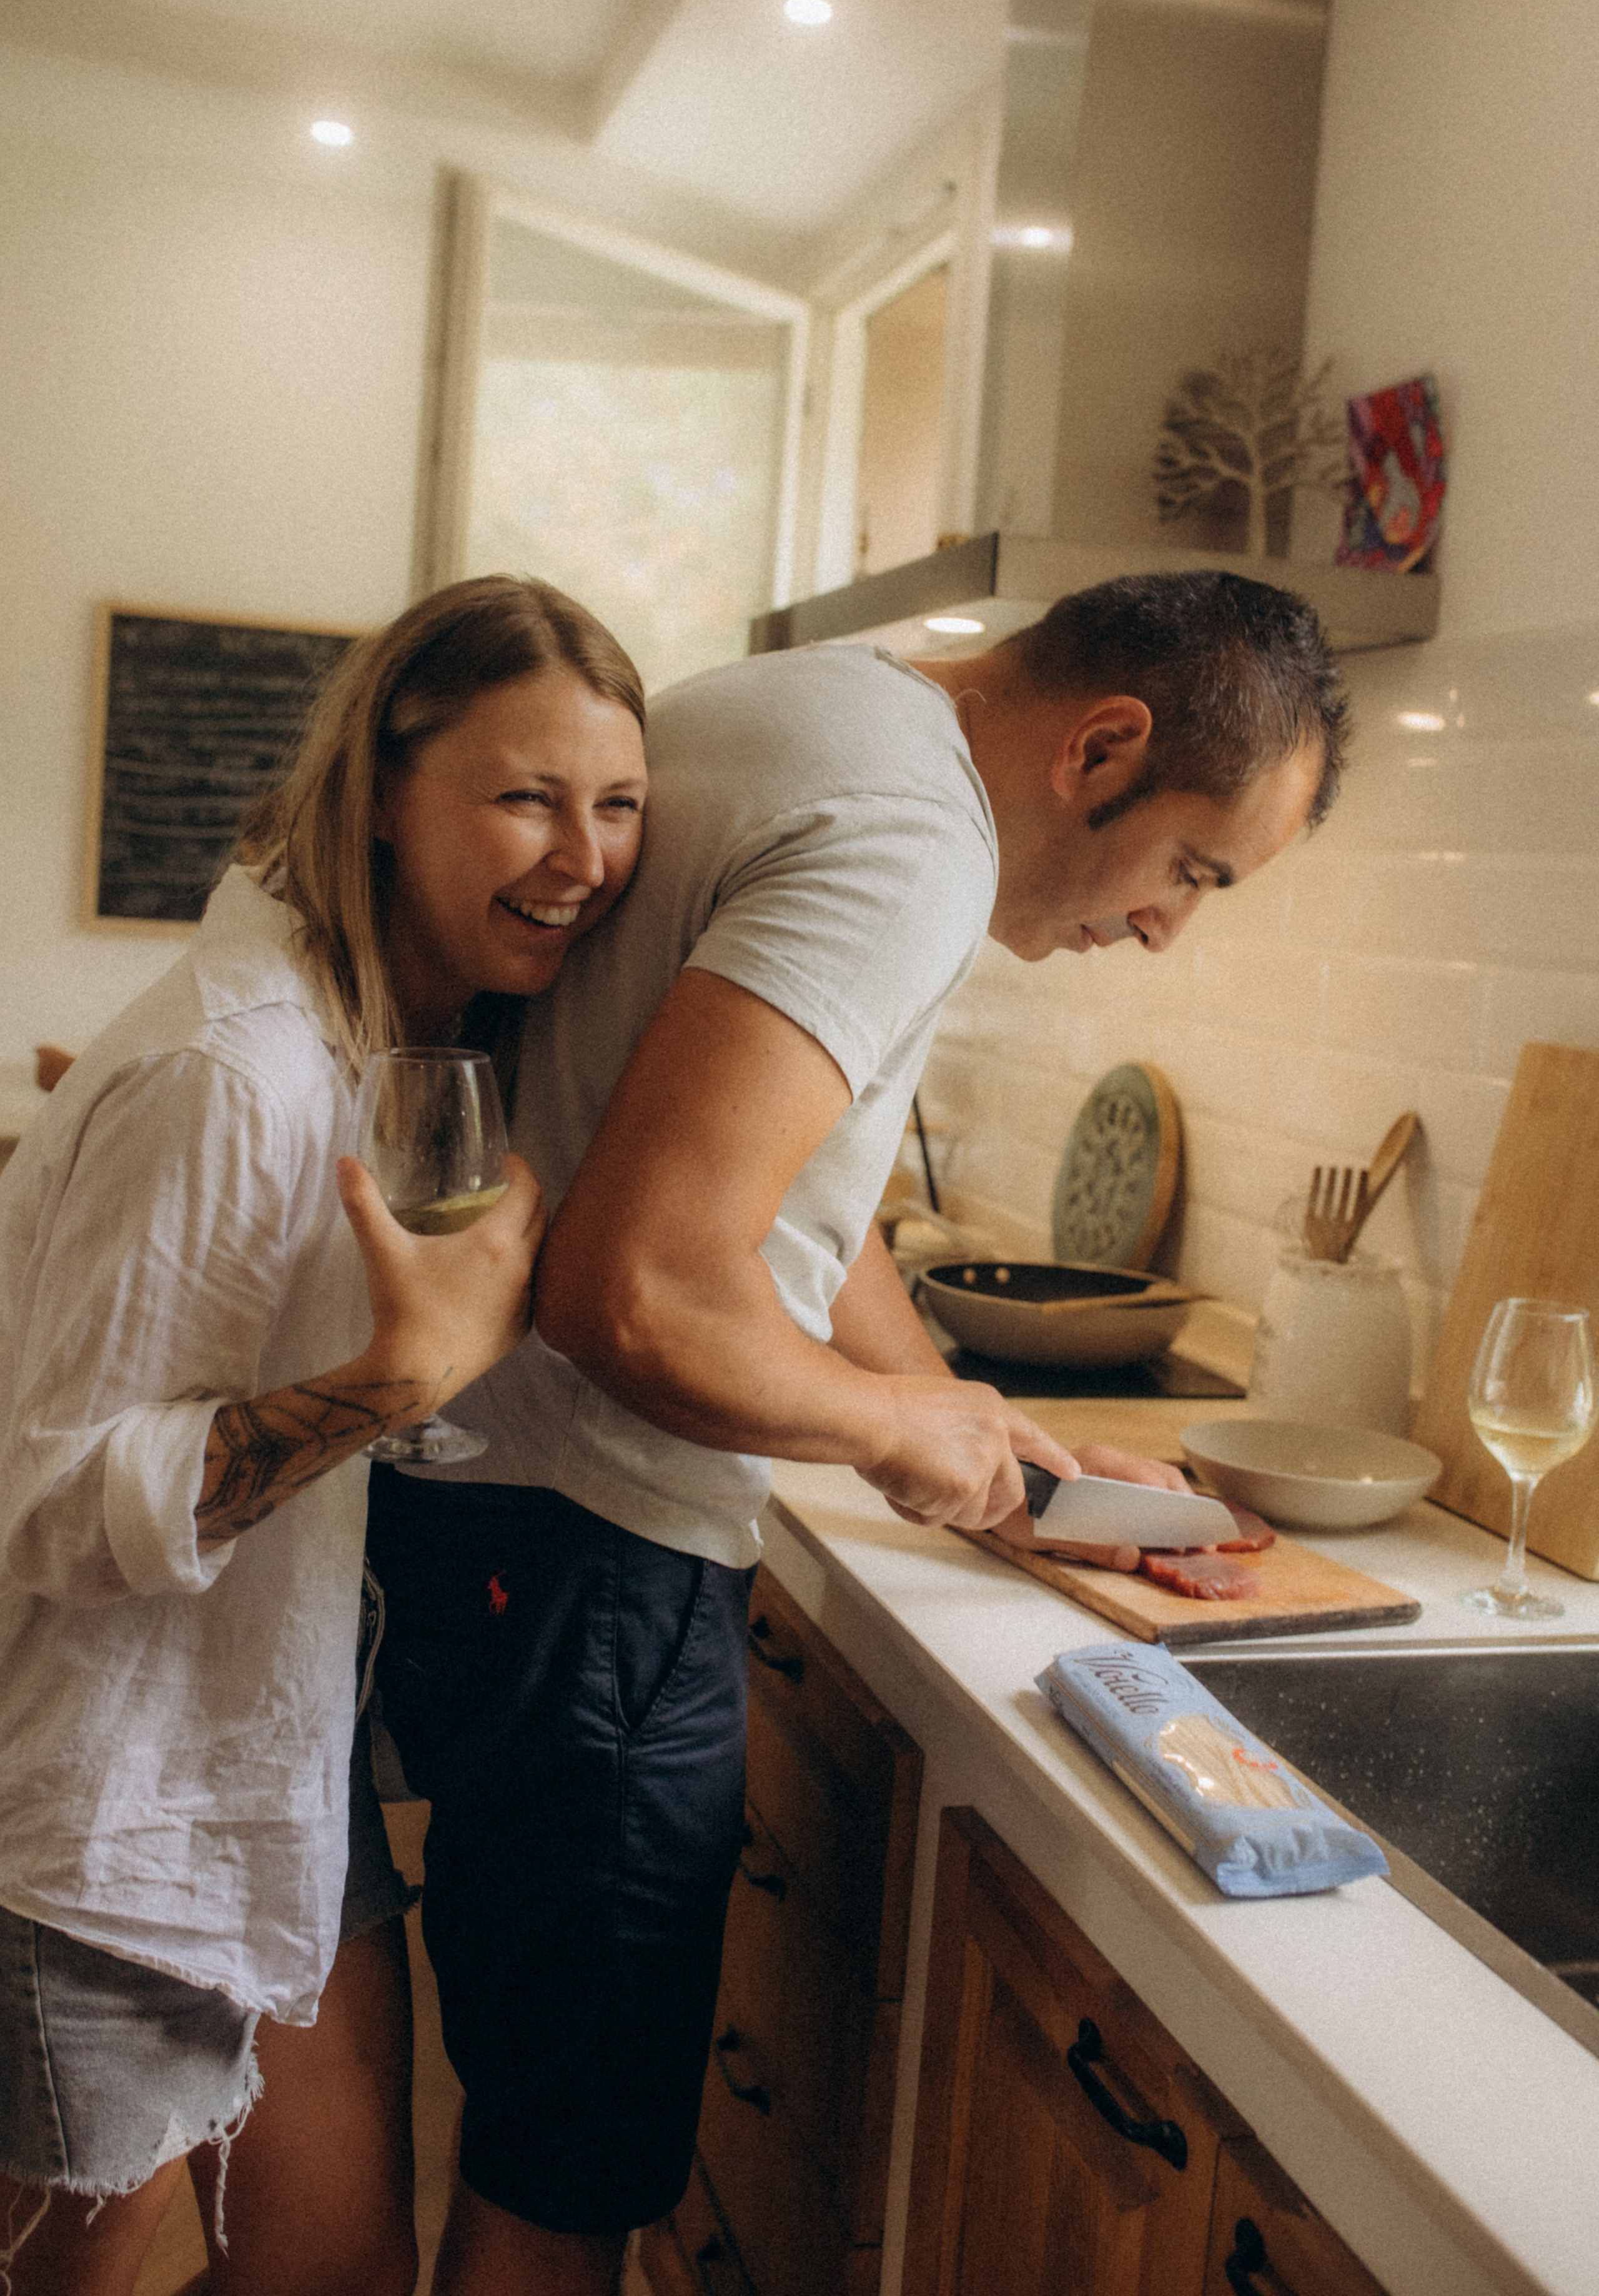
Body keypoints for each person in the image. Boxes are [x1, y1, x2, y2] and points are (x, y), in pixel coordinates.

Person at [365, 568, 1349, 2295]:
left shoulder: (816, 706)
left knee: (522, 2123)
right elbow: (640, 1292)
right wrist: (894, 1436)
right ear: (1105, 748)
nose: (1166, 929)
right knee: (560, 2177)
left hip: (483, 1509)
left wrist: (988, 1436)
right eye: (1194, 869)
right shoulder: (914, 837)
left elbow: (789, 1196)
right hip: (594, 1553)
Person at [0, 574, 648, 2296]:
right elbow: (52, 1505)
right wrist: (396, 1387)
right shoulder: (236, 1071)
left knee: (332, 2266)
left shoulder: (383, 1043)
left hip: (274, 1756)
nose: (583, 855)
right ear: (382, 792)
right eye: (527, 796)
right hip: (104, 1803)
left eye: (618, 804)